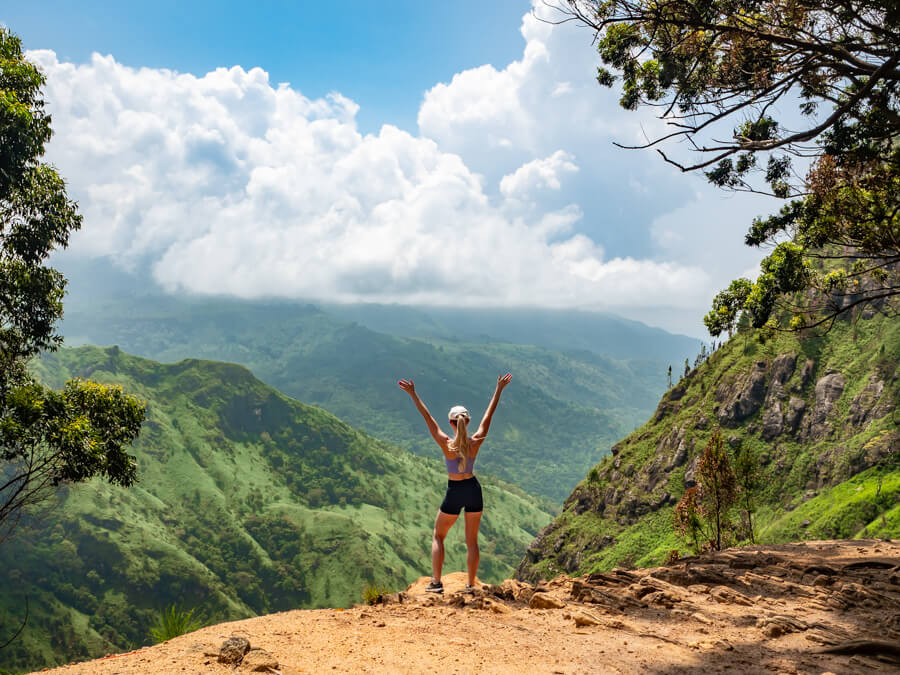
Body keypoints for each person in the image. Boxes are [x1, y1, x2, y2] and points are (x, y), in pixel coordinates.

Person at [398, 373, 512, 594]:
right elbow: (489, 415)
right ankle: (470, 585)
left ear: (451, 422)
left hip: (455, 490)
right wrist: (499, 389)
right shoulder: (476, 441)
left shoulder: (446, 444)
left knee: (439, 535)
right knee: (472, 541)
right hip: (473, 489)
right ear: (467, 421)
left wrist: (413, 394)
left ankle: (436, 583)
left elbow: (427, 417)